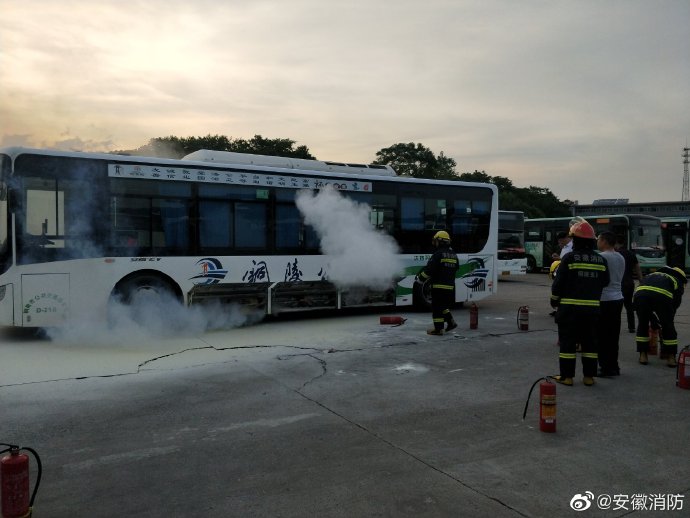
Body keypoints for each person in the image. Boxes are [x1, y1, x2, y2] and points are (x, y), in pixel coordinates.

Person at [550, 220, 609, 386]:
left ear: (575, 241)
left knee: (568, 344)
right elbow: (606, 281)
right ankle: (589, 377)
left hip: (569, 311)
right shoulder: (600, 260)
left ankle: (567, 377)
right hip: (592, 311)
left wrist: (554, 301)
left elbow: (558, 284)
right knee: (590, 343)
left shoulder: (569, 258)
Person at [633, 266, 686, 367]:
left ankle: (643, 355)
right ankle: (670, 357)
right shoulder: (677, 281)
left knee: (643, 324)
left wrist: (653, 321)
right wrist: (665, 323)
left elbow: (644, 294)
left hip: (639, 296)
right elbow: (674, 306)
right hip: (662, 297)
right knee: (668, 326)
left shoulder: (651, 275)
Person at [416, 230, 459, 335]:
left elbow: (429, 270)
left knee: (436, 308)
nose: (434, 243)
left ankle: (439, 329)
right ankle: (451, 322)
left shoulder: (438, 254)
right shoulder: (453, 254)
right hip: (450, 287)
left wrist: (420, 279)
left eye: (436, 241)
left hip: (439, 286)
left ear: (440, 241)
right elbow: (457, 268)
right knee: (442, 306)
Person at [596, 231, 625, 377]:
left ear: (605, 241)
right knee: (613, 335)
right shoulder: (620, 257)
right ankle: (614, 366)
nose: (597, 241)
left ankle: (606, 367)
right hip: (618, 298)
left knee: (602, 335)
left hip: (604, 299)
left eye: (598, 239)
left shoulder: (601, 257)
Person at [615, 238, 643, 333]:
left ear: (616, 243)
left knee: (617, 307)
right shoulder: (631, 254)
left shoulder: (616, 254)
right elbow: (637, 268)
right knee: (629, 306)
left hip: (618, 284)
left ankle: (615, 327)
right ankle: (632, 327)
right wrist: (641, 281)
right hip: (629, 283)